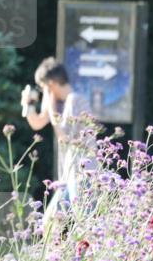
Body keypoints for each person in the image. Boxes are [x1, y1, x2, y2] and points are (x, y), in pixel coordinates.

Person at [21, 57, 97, 217]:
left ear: (50, 84)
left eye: (43, 88)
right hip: (69, 174)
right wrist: (28, 106)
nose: (44, 94)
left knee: (84, 218)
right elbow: (37, 123)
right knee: (51, 220)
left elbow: (64, 136)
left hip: (83, 174)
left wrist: (51, 106)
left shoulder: (75, 100)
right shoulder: (61, 103)